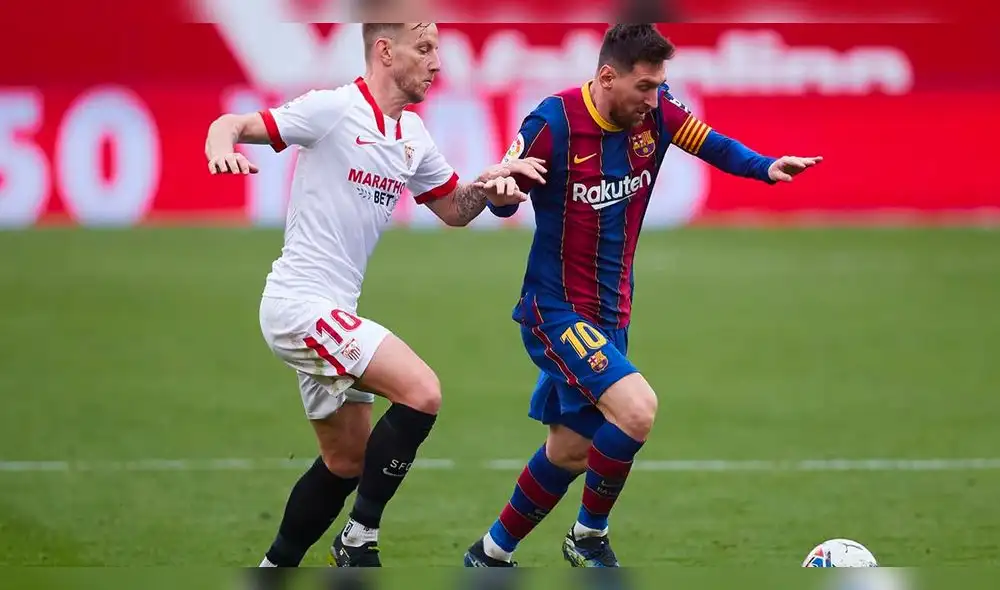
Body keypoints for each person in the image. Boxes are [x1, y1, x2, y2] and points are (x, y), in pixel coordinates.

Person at [463, 24, 821, 568]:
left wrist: (765, 167)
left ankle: (490, 554)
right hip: (554, 310)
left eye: (660, 87)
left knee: (572, 449)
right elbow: (505, 197)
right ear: (607, 77)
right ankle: (587, 537)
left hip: (611, 314)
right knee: (637, 410)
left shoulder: (656, 114)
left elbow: (707, 140)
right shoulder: (551, 123)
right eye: (645, 87)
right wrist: (503, 196)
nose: (655, 99)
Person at [204, 22, 546, 568]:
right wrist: (220, 145)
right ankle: (359, 537)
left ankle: (273, 569)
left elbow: (455, 210)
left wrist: (494, 184)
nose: (438, 63)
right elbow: (236, 123)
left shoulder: (412, 136)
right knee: (422, 392)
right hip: (299, 305)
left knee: (346, 462)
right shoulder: (334, 109)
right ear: (385, 51)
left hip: (333, 312)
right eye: (426, 48)